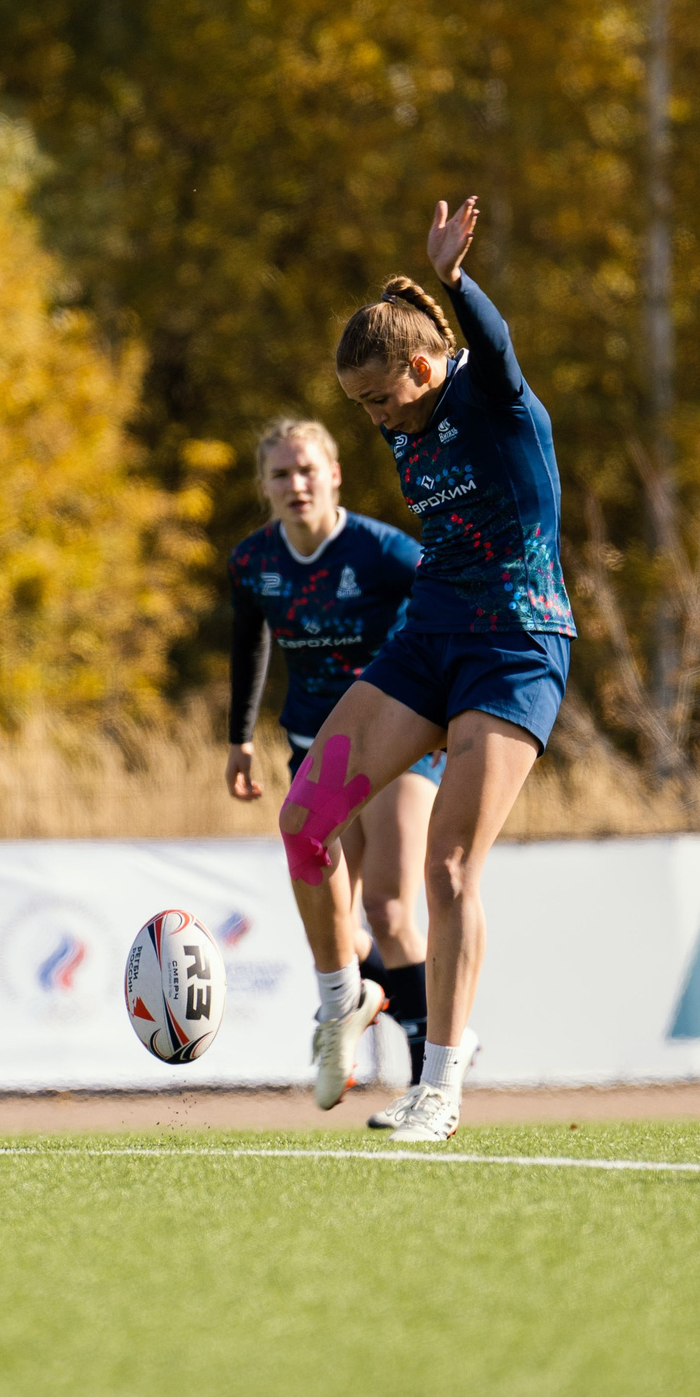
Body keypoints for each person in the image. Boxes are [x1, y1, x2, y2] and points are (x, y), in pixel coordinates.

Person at [279, 197, 575, 1142]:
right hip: (428, 638)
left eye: (378, 398)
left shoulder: (493, 397)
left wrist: (455, 282)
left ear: (421, 366)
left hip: (515, 644)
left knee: (448, 867)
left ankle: (440, 1087)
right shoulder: (401, 417)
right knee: (303, 821)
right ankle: (342, 1002)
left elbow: (493, 349)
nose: (372, 419)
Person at [224, 418, 458, 1117]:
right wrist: (239, 739)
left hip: (395, 741)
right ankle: (365, 1002)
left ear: (334, 475)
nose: (296, 484)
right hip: (312, 746)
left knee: (389, 904)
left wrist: (443, 704)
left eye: (307, 470)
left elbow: (444, 604)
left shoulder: (384, 551)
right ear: (263, 486)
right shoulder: (253, 561)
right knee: (341, 924)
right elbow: (249, 642)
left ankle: (427, 1083)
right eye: (280, 474)